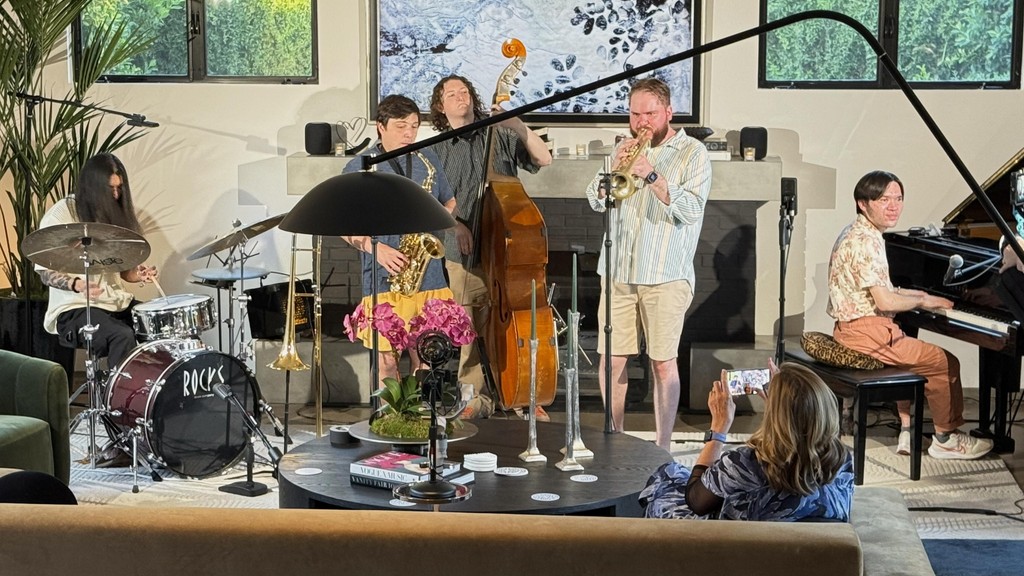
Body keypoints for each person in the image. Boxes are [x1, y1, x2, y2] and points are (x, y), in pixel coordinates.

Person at [827, 170, 993, 460]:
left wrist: (922, 296)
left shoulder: (857, 232)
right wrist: (924, 303)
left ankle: (918, 428)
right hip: (868, 335)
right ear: (863, 203)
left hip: (854, 328)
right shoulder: (867, 242)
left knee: (929, 358)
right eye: (883, 199)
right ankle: (946, 438)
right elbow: (886, 300)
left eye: (899, 198)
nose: (894, 206)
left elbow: (886, 289)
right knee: (944, 362)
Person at [583, 77, 712, 450]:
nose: (641, 122)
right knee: (612, 361)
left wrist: (651, 174)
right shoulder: (621, 149)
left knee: (661, 363)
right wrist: (612, 175)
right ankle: (614, 438)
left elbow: (690, 210)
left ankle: (663, 446)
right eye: (635, 113)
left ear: (668, 113)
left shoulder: (693, 154)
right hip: (619, 270)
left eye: (650, 114)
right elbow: (595, 199)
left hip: (665, 275)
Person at [428, 74, 552, 419]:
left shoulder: (500, 134)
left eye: (464, 91)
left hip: (507, 251)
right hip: (463, 252)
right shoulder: (434, 150)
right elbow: (430, 199)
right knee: (468, 331)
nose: (459, 97)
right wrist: (455, 225)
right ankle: (473, 398)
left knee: (517, 325)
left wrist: (515, 121)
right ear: (440, 106)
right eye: (450, 93)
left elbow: (544, 159)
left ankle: (523, 395)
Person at [639, 363, 854, 520]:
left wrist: (719, 429)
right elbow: (796, 449)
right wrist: (783, 409)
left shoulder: (745, 463)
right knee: (678, 473)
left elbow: (695, 501)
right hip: (798, 546)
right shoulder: (841, 459)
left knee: (663, 481)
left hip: (736, 549)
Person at [342, 95, 457, 386]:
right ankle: (388, 422)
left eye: (415, 126)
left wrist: (435, 222)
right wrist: (374, 249)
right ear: (381, 127)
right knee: (387, 361)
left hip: (427, 276)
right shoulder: (362, 165)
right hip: (382, 276)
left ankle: (420, 418)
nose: (409, 133)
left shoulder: (427, 159)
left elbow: (450, 201)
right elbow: (342, 224)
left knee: (426, 355)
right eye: (401, 126)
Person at [36, 152, 158, 371]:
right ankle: (119, 401)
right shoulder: (64, 213)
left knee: (158, 325)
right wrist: (76, 284)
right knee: (122, 335)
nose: (115, 194)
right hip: (74, 308)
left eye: (119, 188)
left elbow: (122, 272)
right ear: (92, 187)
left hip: (115, 302)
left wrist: (136, 275)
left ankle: (153, 397)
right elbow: (44, 269)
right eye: (109, 189)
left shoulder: (117, 213)